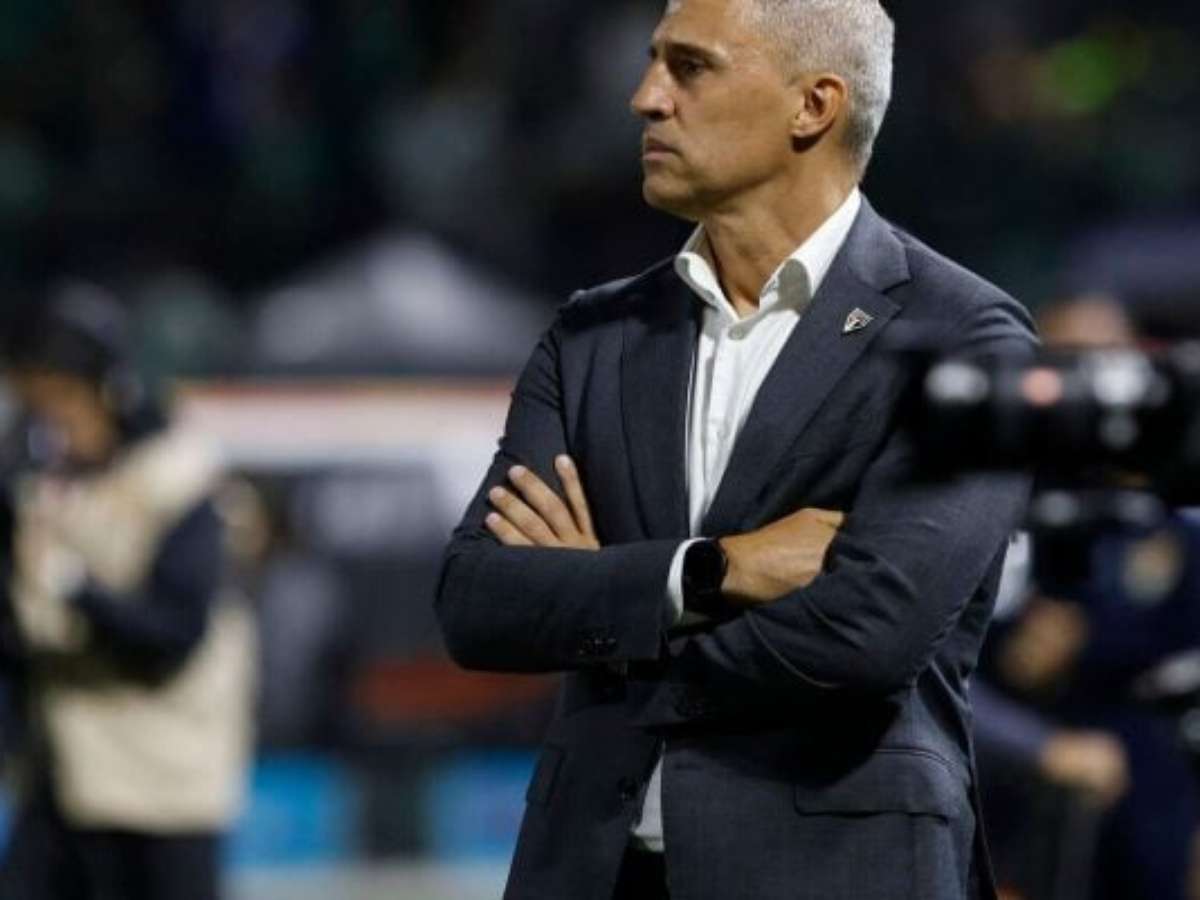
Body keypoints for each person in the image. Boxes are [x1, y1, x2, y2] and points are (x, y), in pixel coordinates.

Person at [435, 1, 1036, 898]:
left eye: (691, 67)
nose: (645, 98)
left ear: (814, 105)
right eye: (654, 63)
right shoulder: (595, 333)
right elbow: (477, 602)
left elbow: (868, 638)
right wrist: (715, 571)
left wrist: (611, 615)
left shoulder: (965, 340)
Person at [0, 285, 256, 900]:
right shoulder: (41, 482)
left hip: (162, 776)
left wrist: (77, 591)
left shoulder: (178, 477)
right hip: (68, 769)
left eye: (63, 399)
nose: (52, 420)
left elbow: (173, 633)